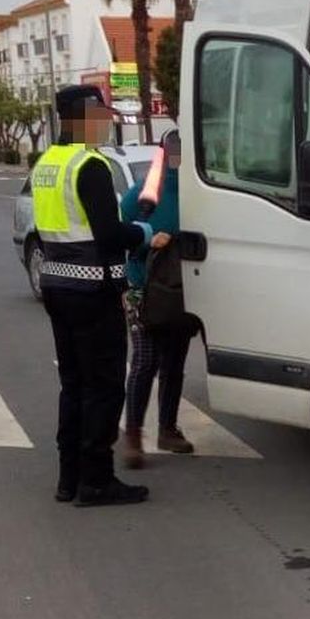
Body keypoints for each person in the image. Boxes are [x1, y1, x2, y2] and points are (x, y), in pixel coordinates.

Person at [32, 84, 161, 506]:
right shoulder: (90, 165)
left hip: (56, 284)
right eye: (99, 117)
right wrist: (141, 233)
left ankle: (68, 478)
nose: (105, 125)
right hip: (93, 287)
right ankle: (97, 480)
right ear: (81, 118)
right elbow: (108, 235)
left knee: (73, 385)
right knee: (104, 387)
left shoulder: (47, 163)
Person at [119, 131, 196, 467]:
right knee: (146, 360)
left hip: (181, 288)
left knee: (175, 361)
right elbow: (122, 235)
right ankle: (133, 435)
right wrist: (148, 241)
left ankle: (167, 428)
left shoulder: (201, 191)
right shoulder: (144, 194)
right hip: (143, 288)